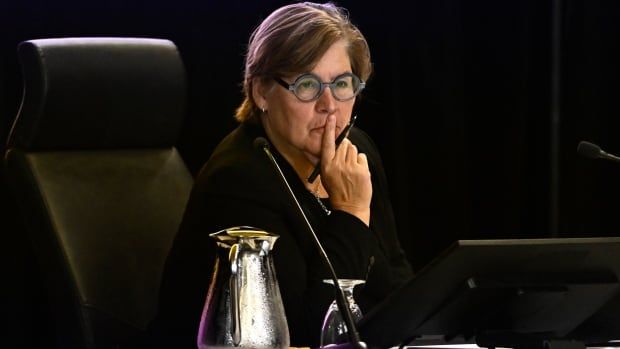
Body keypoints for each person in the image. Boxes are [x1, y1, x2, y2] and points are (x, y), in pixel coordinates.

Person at [151, 2, 413, 347]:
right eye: (307, 85)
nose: (329, 104)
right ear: (262, 92)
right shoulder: (238, 181)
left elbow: (394, 283)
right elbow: (301, 332)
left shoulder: (356, 151)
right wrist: (350, 212)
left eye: (343, 84)